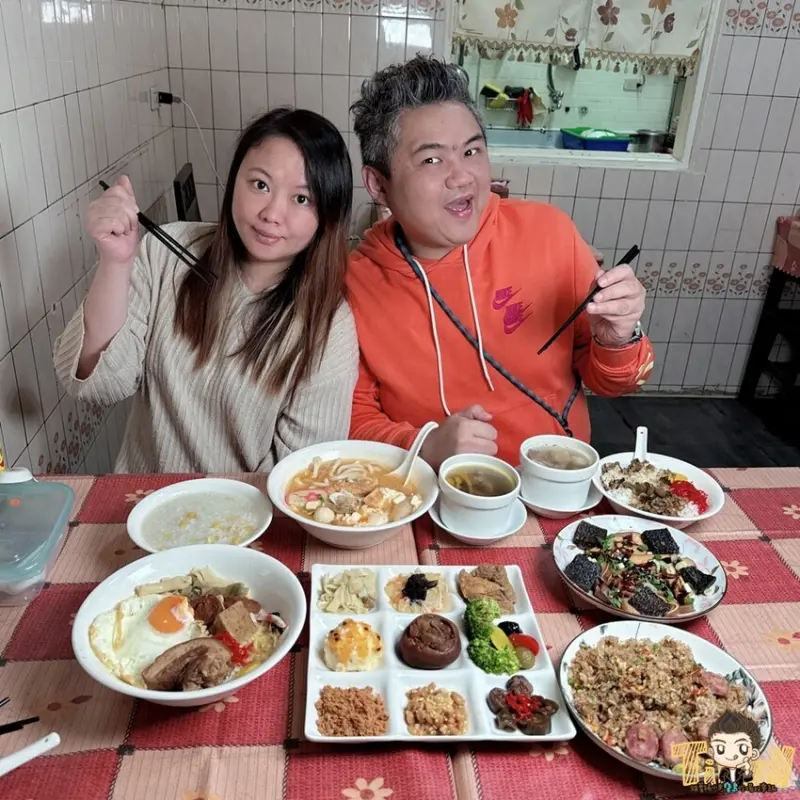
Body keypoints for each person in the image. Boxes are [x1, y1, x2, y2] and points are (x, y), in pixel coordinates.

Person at [347, 56, 655, 469]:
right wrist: (426, 445)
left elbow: (619, 383)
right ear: (378, 184)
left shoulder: (549, 232)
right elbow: (353, 418)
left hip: (553, 481)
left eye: (472, 151)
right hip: (426, 487)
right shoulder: (354, 284)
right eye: (432, 160)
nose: (463, 177)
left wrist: (616, 339)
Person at [54, 108, 358, 473]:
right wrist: (116, 263)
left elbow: (304, 475)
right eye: (260, 185)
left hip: (247, 508)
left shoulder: (329, 327)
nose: (272, 213)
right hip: (144, 500)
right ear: (234, 180)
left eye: (301, 199)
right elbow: (97, 384)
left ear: (328, 215)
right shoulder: (167, 252)